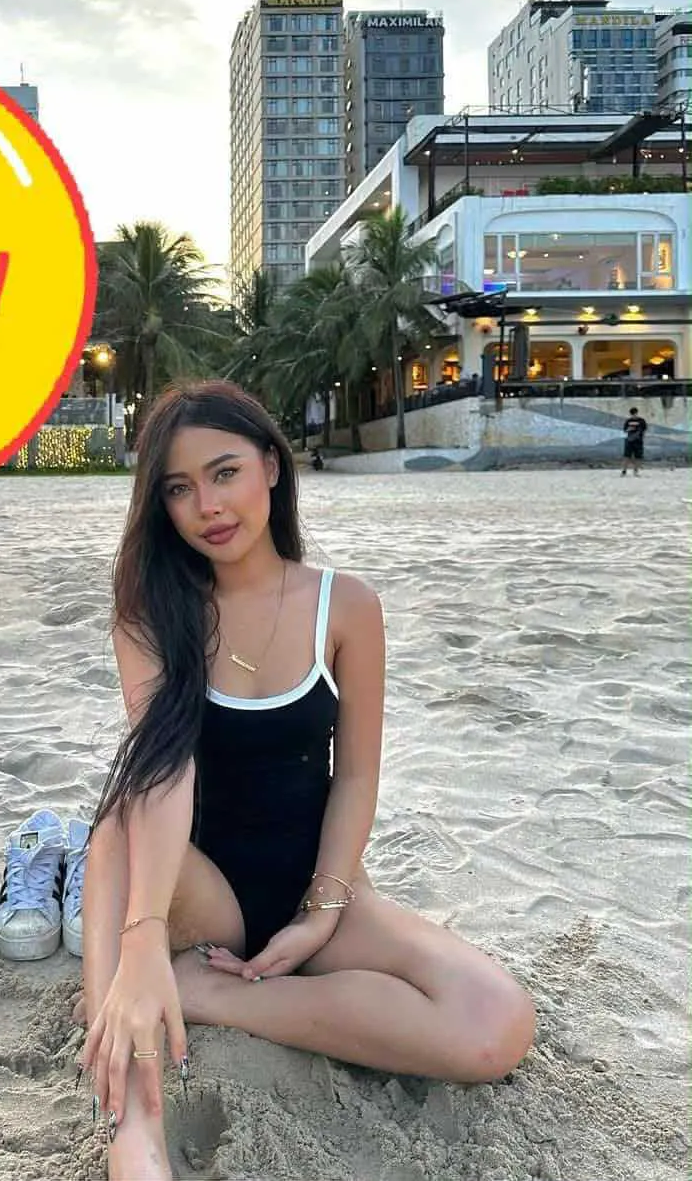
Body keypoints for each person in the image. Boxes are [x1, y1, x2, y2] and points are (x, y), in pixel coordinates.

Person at [74, 379, 535, 1180]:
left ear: (271, 467)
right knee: (119, 813)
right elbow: (164, 774)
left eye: (224, 473)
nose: (208, 506)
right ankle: (131, 1120)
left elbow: (354, 776)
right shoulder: (152, 614)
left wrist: (321, 915)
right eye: (179, 489)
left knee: (497, 1025)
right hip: (197, 888)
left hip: (313, 880)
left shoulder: (345, 606)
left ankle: (205, 995)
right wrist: (143, 936)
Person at [621, 406, 648, 476]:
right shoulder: (628, 421)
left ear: (637, 413)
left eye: (635, 414)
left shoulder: (641, 421)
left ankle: (636, 470)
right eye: (632, 414)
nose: (634, 415)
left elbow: (644, 430)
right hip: (629, 440)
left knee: (638, 457)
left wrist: (642, 437)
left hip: (638, 440)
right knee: (627, 456)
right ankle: (624, 471)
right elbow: (625, 430)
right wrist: (629, 429)